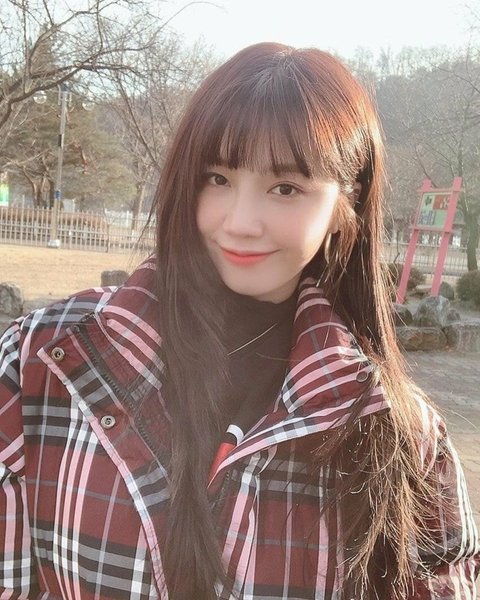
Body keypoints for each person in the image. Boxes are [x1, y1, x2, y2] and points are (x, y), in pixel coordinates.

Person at [0, 42, 478, 600]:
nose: (241, 222)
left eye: (286, 188)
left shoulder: (397, 431)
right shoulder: (44, 362)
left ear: (344, 208)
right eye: (217, 178)